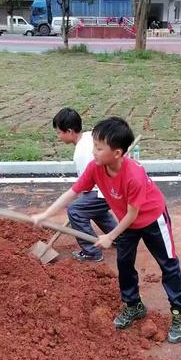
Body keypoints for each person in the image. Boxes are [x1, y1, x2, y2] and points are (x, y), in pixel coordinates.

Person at [32, 117, 181, 344]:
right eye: (94, 145)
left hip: (153, 218)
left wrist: (110, 236)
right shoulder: (95, 168)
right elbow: (73, 192)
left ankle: (180, 312)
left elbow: (132, 215)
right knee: (124, 264)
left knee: (168, 264)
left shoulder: (133, 176)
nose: (93, 151)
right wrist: (45, 215)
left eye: (99, 147)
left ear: (117, 153)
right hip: (127, 223)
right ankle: (133, 305)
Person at [52, 108, 117, 262]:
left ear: (69, 131)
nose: (58, 136)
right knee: (92, 208)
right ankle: (119, 237)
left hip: (105, 191)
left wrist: (84, 200)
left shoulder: (80, 154)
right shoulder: (89, 137)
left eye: (59, 132)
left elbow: (86, 186)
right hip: (111, 188)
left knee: (76, 210)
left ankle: (92, 252)